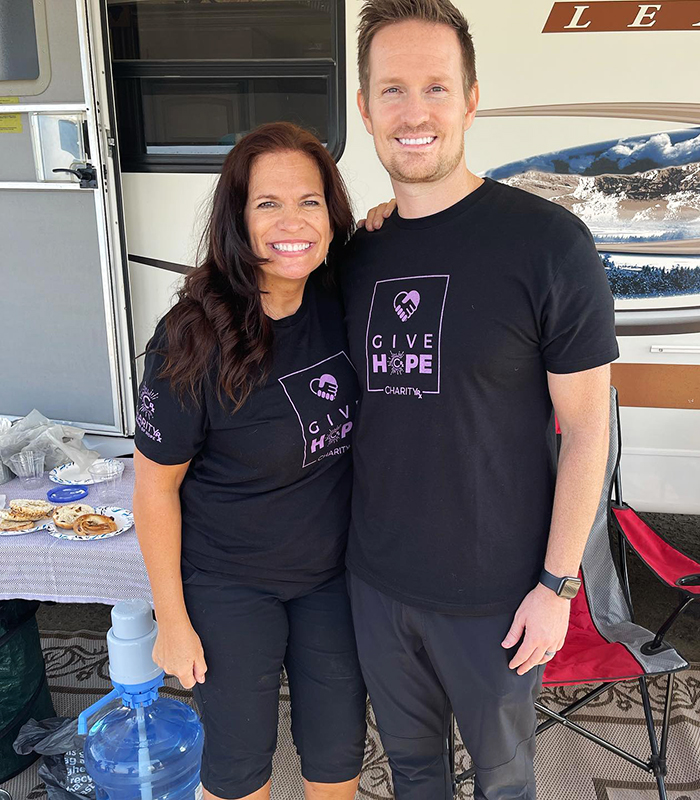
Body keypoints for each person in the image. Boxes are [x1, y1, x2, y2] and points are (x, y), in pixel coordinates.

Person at [339, 1, 619, 798]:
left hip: (498, 596)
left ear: (471, 98)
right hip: (376, 582)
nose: (414, 111)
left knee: (503, 781)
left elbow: (589, 428)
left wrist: (558, 585)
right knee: (412, 774)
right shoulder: (356, 253)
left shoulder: (547, 243)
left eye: (436, 86)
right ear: (365, 108)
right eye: (392, 90)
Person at [132, 122, 366, 800]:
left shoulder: (341, 296)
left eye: (310, 201)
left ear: (332, 213)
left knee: (337, 756)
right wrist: (171, 621)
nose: (292, 222)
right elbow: (154, 490)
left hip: (331, 578)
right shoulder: (192, 337)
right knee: (238, 771)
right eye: (267, 204)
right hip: (230, 584)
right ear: (237, 218)